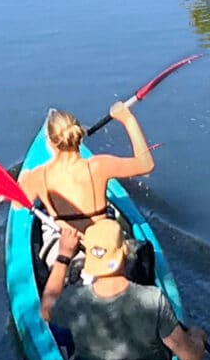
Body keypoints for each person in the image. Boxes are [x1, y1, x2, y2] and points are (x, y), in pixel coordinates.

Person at [40, 219, 206, 360]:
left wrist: (64, 256)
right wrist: (198, 337)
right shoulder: (153, 300)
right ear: (126, 252)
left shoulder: (74, 300)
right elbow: (191, 358)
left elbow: (46, 310)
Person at [17, 102, 155, 264]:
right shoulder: (99, 166)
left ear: (50, 142)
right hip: (106, 245)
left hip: (68, 249)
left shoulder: (39, 176)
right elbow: (146, 165)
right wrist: (127, 119)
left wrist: (24, 177)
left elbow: (17, 205)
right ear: (78, 136)